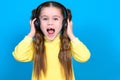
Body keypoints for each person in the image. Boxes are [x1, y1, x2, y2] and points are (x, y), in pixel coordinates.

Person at [12, 1, 91, 80]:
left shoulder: (69, 44)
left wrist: (71, 34)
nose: (50, 23)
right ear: (37, 23)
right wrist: (31, 34)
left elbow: (84, 57)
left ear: (64, 23)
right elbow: (19, 56)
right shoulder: (35, 45)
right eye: (45, 19)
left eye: (55, 19)